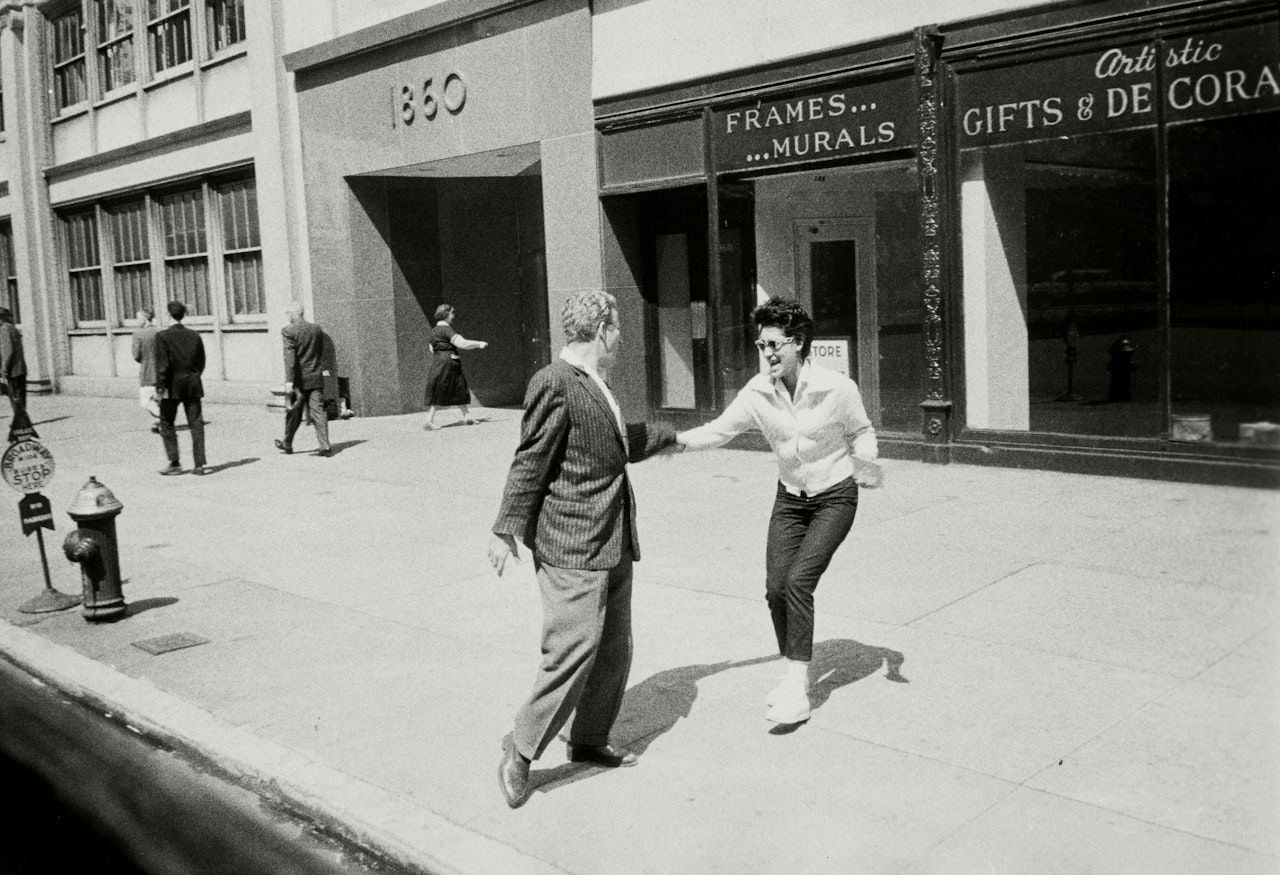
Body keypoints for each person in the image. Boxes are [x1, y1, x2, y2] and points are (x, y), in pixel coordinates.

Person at [487, 290, 676, 809]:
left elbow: (610, 445)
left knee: (613, 646)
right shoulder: (554, 381)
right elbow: (531, 460)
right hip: (571, 540)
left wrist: (667, 437)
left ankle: (590, 738)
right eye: (617, 328)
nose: (621, 337)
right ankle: (521, 751)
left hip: (612, 535)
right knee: (574, 646)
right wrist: (505, 529)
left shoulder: (595, 381)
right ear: (602, 330)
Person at [676, 297, 879, 726]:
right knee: (775, 589)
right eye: (761, 345)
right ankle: (793, 673)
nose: (767, 353)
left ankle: (797, 686)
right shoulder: (757, 392)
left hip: (835, 497)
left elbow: (862, 430)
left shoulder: (837, 388)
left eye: (774, 344)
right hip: (790, 500)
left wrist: (866, 463)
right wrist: (669, 441)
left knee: (798, 582)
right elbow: (719, 431)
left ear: (798, 342)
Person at [154, 301, 208, 476]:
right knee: (196, 424)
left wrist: (160, 389)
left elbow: (162, 365)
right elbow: (201, 361)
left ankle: (174, 462)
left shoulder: (162, 336)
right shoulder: (194, 335)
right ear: (183, 315)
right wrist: (194, 375)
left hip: (172, 385)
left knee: (166, 422)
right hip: (192, 383)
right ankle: (199, 464)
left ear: (168, 314)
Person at [274, 301, 332, 458]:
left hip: (299, 380)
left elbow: (290, 358)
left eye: (288, 313)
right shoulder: (316, 329)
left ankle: (287, 443)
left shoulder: (288, 330)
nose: (287, 316)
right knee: (319, 411)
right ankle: (325, 446)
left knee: (293, 412)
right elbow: (320, 352)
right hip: (315, 376)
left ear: (293, 314)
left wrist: (289, 382)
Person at [423, 304, 487, 430]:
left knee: (459, 387)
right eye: (451, 313)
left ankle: (467, 416)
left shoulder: (433, 331)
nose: (453, 316)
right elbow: (462, 343)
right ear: (446, 314)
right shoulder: (446, 330)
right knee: (442, 389)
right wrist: (479, 344)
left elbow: (432, 349)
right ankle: (428, 421)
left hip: (440, 362)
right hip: (449, 364)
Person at [131, 307, 161, 433]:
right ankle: (157, 423)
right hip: (161, 372)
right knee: (158, 399)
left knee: (145, 401)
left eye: (138, 318)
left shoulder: (138, 333)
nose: (136, 321)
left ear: (144, 319)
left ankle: (162, 417)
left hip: (147, 372)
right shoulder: (160, 331)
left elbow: (136, 355)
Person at [0, 306, 26, 421]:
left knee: (14, 396)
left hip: (13, 369)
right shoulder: (13, 327)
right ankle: (22, 419)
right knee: (20, 396)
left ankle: (20, 421)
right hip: (20, 368)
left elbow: (8, 351)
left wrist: (4, 368)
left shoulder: (4, 329)